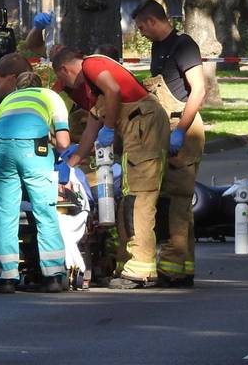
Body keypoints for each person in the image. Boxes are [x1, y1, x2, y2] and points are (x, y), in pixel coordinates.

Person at [54, 47, 170, 289]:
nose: (67, 87)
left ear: (64, 69)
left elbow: (114, 90)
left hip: (142, 125)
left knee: (139, 197)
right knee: (130, 197)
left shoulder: (91, 65)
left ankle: (140, 268)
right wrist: (71, 163)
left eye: (62, 80)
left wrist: (108, 128)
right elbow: (90, 130)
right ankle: (129, 262)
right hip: (137, 129)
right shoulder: (94, 90)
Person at [132, 0, 205, 288]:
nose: (141, 33)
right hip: (164, 127)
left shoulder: (183, 46)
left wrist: (181, 131)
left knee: (178, 200)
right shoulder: (157, 48)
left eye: (141, 27)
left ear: (152, 21)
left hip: (182, 127)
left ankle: (175, 268)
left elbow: (198, 90)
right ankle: (182, 267)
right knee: (173, 201)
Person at [0, 71, 72, 293]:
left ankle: (7, 278)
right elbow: (63, 142)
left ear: (17, 87)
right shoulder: (50, 96)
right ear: (40, 84)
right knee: (45, 211)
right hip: (34, 149)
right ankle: (53, 276)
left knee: (5, 214)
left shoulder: (6, 100)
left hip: (2, 149)